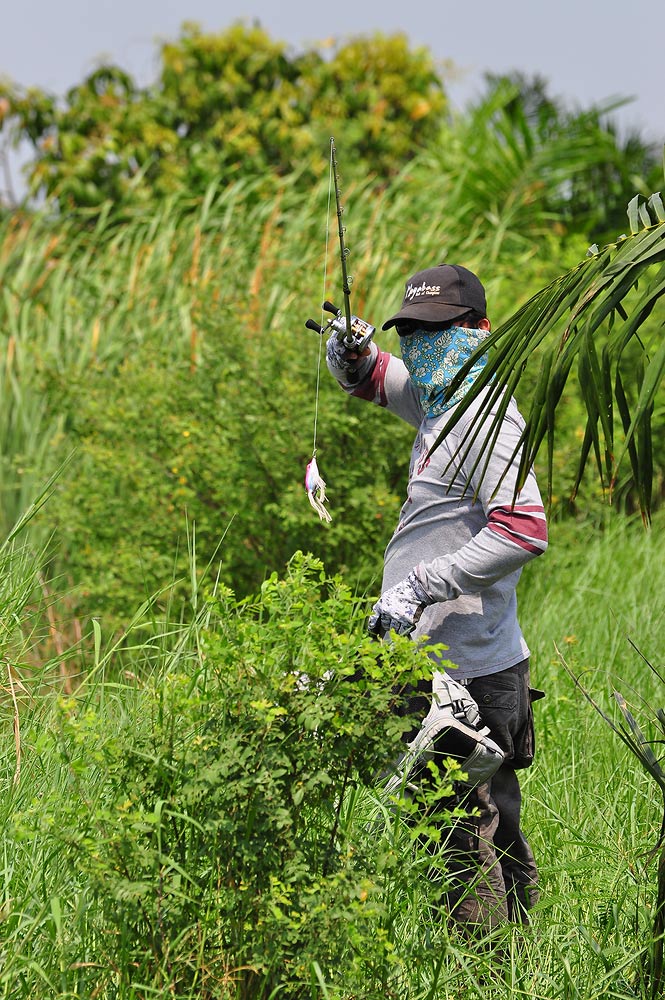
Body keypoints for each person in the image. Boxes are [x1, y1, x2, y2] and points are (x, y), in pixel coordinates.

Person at [326, 262, 548, 930]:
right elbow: (373, 379)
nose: (421, 347)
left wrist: (419, 587)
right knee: (489, 826)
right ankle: (523, 964)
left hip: (471, 674)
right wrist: (348, 352)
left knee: (456, 836)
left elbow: (524, 529)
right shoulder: (441, 399)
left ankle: (482, 973)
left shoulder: (487, 418)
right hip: (454, 662)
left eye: (436, 331)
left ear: (479, 329)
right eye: (411, 332)